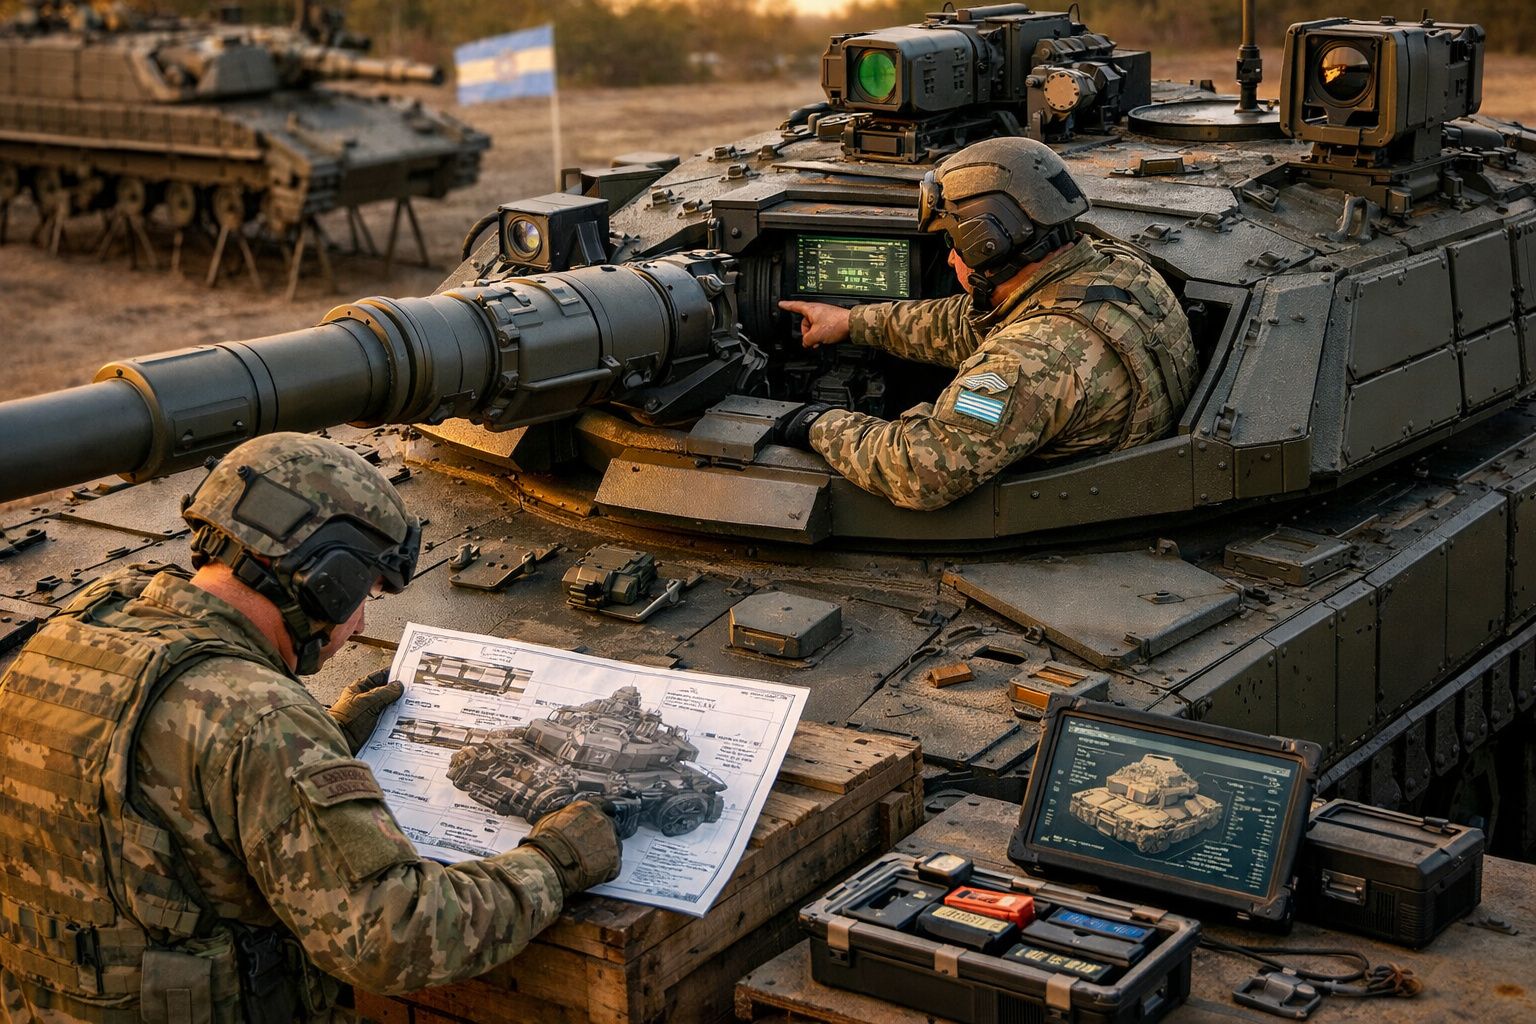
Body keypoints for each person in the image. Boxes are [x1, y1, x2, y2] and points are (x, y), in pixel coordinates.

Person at [0, 433, 621, 1024]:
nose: (354, 623)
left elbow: (157, 792)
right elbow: (395, 936)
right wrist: (556, 860)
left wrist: (322, 738)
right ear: (332, 582)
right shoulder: (262, 720)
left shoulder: (76, 633)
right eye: (368, 595)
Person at [778, 136, 1198, 511]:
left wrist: (817, 423)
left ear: (986, 243)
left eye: (953, 243)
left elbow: (918, 472)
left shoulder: (1032, 360)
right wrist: (853, 321)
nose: (949, 258)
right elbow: (971, 322)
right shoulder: (1112, 270)